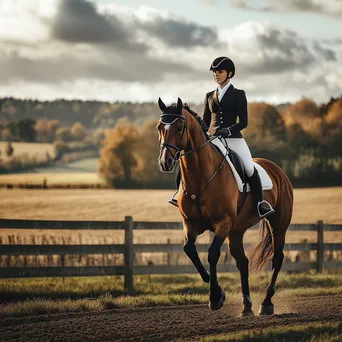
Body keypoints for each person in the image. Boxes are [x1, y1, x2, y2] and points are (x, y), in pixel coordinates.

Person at [168, 56, 274, 218]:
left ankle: (260, 203)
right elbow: (205, 122)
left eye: (220, 72)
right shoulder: (209, 95)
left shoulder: (238, 94)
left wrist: (229, 130)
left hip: (234, 139)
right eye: (214, 72)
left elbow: (244, 122)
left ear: (229, 73)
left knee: (248, 167)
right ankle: (179, 193)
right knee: (186, 162)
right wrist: (204, 135)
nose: (216, 75)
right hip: (213, 139)